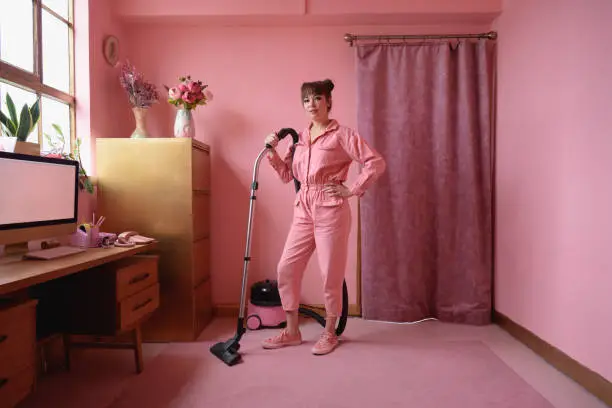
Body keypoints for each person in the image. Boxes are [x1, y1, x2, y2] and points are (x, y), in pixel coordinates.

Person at [262, 79, 386, 355]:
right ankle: (292, 331)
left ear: (328, 102)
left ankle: (330, 332)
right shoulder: (300, 139)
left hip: (330, 208)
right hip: (303, 208)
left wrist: (351, 189)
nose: (312, 104)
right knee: (286, 268)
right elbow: (286, 175)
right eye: (307, 100)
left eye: (317, 98)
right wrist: (271, 151)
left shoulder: (343, 135)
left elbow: (375, 162)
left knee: (330, 273)